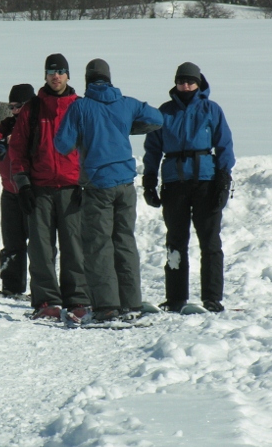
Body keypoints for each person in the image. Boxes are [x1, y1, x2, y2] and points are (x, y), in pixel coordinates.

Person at [54, 59, 163, 323]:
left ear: (87, 79)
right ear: (109, 78)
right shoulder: (126, 103)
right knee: (125, 241)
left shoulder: (80, 107)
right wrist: (127, 127)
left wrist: (83, 135)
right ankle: (131, 303)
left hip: (97, 184)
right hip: (126, 184)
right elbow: (157, 119)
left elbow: (61, 144)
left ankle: (107, 307)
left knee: (98, 245)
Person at [142, 61, 235, 313]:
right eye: (181, 81)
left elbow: (225, 144)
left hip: (206, 182)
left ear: (198, 82)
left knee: (210, 242)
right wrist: (149, 180)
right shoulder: (164, 112)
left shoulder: (211, 110)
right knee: (175, 241)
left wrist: (224, 178)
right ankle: (175, 298)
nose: (185, 85)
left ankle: (212, 297)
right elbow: (152, 149)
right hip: (174, 184)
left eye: (190, 81)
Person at [8, 53, 91, 320]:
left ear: (68, 75)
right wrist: (23, 185)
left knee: (74, 248)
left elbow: (92, 148)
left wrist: (86, 183)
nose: (56, 76)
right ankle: (46, 301)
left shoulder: (80, 107)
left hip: (72, 188)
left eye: (61, 71)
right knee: (41, 248)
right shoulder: (32, 109)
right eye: (51, 71)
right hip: (39, 189)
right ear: (45, 75)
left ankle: (77, 299)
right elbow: (17, 150)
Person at [0, 84, 36, 299]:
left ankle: (44, 290)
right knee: (12, 242)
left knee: (40, 244)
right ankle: (11, 287)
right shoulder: (9, 125)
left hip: (33, 191)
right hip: (10, 192)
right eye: (12, 106)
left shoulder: (37, 126)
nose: (14, 111)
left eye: (19, 106)